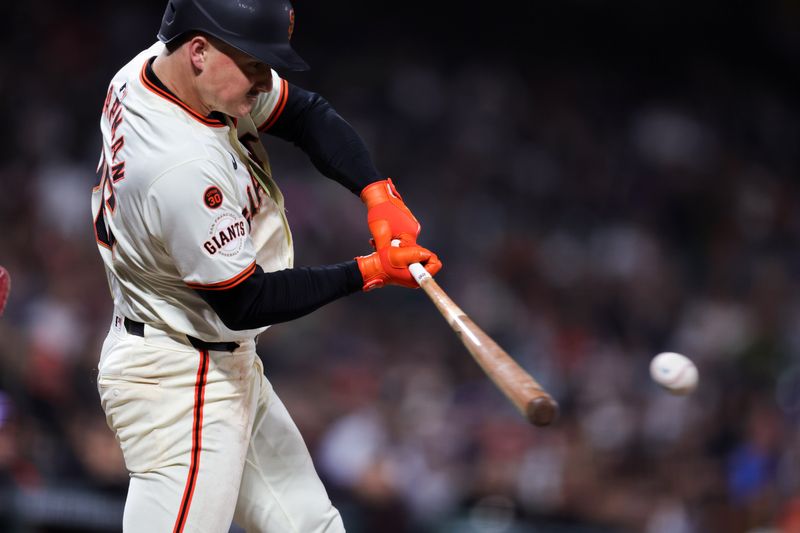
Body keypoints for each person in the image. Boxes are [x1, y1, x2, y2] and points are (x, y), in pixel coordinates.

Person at [90, 0, 442, 531]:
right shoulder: (179, 166)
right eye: (254, 63)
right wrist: (368, 271)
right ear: (200, 51)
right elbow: (245, 302)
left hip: (212, 357)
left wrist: (377, 193)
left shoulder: (155, 70)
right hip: (177, 382)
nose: (264, 80)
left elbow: (304, 113)